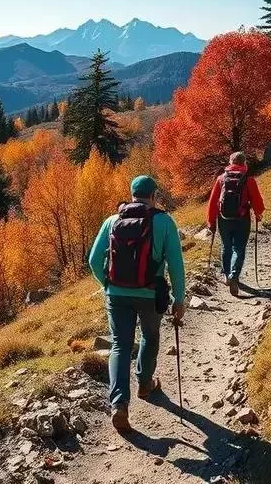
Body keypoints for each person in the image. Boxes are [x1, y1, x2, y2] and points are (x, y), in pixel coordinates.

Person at [88, 175, 186, 433]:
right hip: (150, 294)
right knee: (150, 336)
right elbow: (175, 262)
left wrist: (107, 284)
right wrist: (179, 297)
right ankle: (145, 383)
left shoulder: (112, 221)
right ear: (153, 196)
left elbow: (93, 260)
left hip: (117, 295)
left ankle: (119, 404)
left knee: (120, 345)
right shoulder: (164, 222)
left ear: (132, 195)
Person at [206, 151, 265, 296]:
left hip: (224, 219)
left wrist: (211, 221)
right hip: (242, 219)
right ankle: (234, 275)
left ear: (230, 163)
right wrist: (258, 213)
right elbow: (257, 201)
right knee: (239, 248)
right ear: (244, 163)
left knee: (226, 245)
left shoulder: (221, 179)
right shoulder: (248, 180)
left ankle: (226, 275)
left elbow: (213, 202)